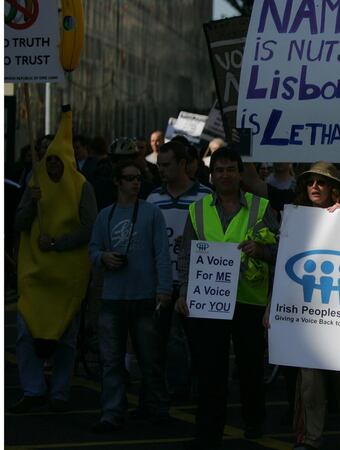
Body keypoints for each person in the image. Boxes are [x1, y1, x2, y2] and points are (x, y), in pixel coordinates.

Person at [176, 147, 279, 449]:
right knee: (211, 369)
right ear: (211, 175)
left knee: (250, 367)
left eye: (231, 169)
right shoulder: (197, 210)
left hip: (250, 301)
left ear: (240, 172)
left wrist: (260, 251)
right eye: (219, 170)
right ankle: (208, 431)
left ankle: (253, 421)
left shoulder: (261, 208)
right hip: (210, 302)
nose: (225, 175)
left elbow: (281, 252)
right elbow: (186, 255)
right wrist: (184, 291)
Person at [12, 108, 97, 414]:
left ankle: (59, 392)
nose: (51, 166)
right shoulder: (36, 184)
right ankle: (33, 389)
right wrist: (30, 204)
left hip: (67, 276)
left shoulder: (82, 186)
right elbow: (19, 224)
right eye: (47, 160)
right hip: (36, 274)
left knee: (65, 336)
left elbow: (90, 227)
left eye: (56, 161)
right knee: (26, 331)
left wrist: (58, 244)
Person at [88, 161, 172, 432]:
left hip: (144, 295)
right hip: (113, 297)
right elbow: (92, 249)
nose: (136, 183)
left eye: (138, 178)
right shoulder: (105, 215)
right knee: (111, 359)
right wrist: (103, 257)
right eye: (129, 178)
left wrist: (164, 288)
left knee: (150, 357)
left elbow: (162, 253)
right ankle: (111, 412)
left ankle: (156, 407)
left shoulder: (151, 213)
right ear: (117, 182)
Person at [290, 161, 340, 450]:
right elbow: (285, 267)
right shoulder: (296, 220)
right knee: (310, 381)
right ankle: (310, 438)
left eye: (321, 183)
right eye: (310, 182)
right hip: (309, 311)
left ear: (334, 189)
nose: (314, 187)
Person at [146, 141, 213, 400]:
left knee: (199, 343)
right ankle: (174, 390)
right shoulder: (153, 199)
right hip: (164, 283)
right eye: (159, 166)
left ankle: (200, 389)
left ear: (183, 165)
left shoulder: (206, 198)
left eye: (166, 165)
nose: (161, 170)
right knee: (163, 342)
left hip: (197, 282)